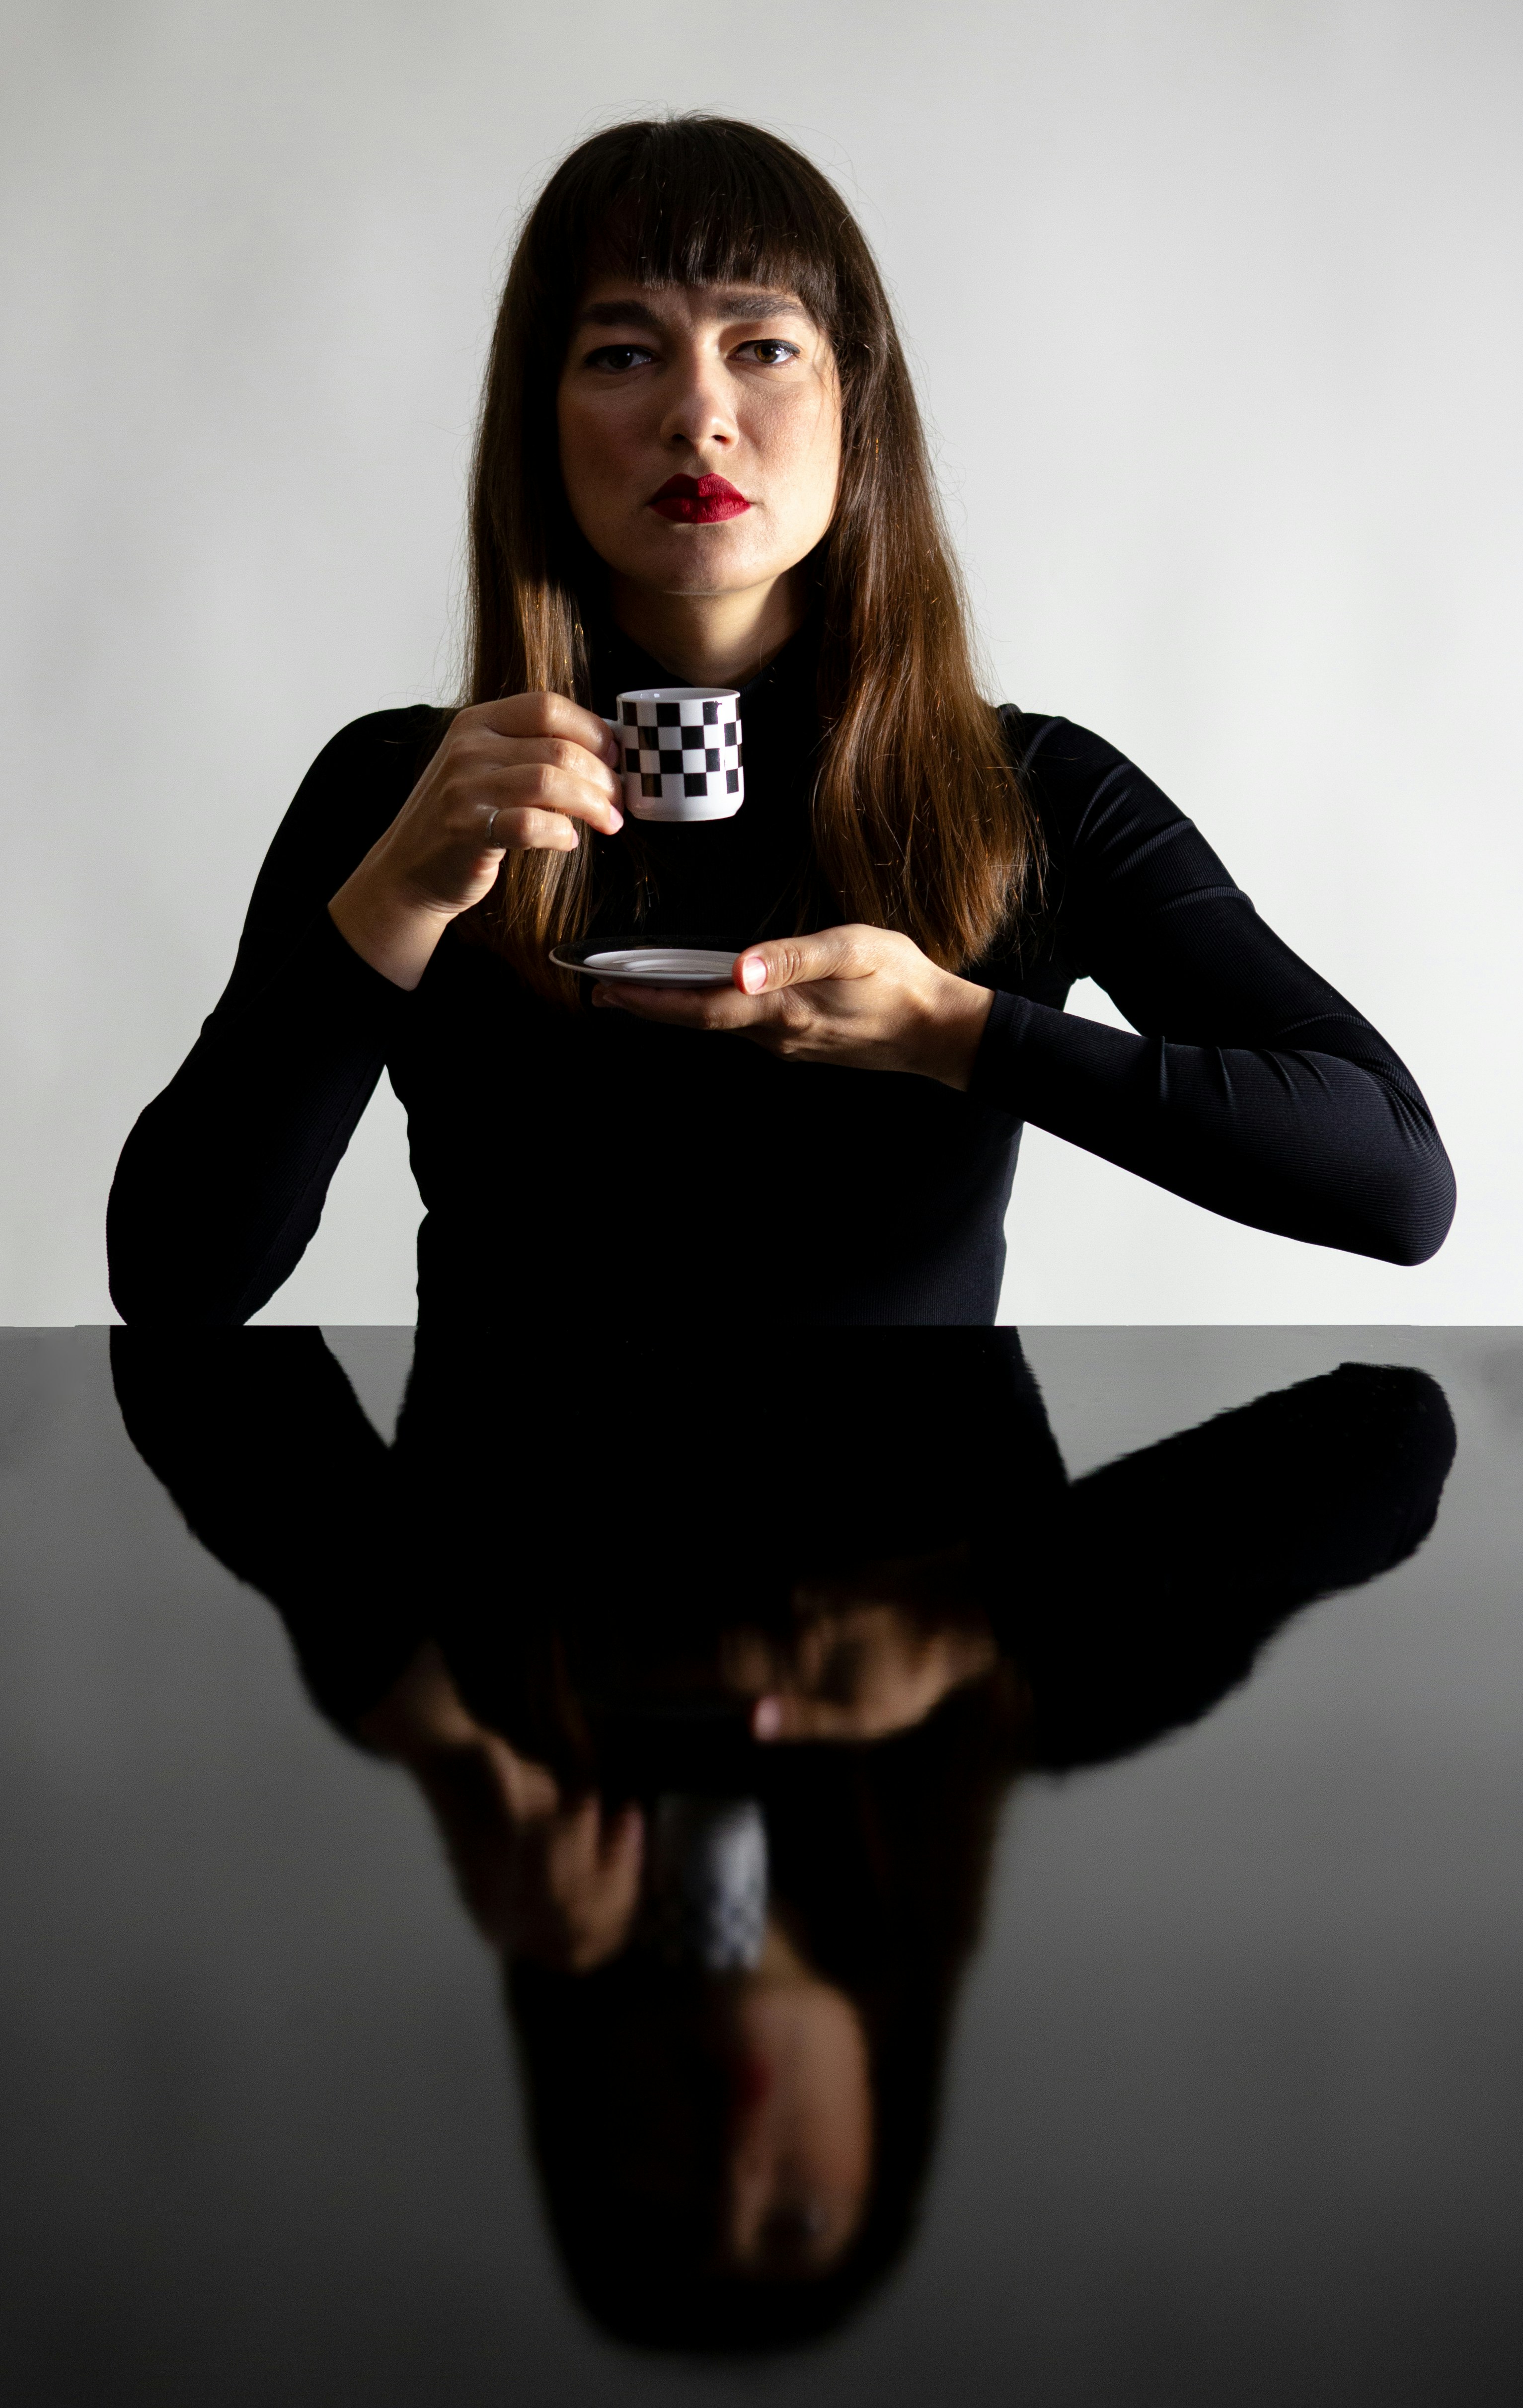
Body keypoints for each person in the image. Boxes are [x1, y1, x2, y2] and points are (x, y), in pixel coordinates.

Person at [107, 117, 1456, 1327]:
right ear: (540, 422)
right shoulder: (407, 789)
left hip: (913, 1580)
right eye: (624, 353)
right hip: (516, 1578)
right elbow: (174, 1283)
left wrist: (953, 1030)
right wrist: (396, 898)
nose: (698, 416)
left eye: (761, 348)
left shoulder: (1025, 792)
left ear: (852, 407)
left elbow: (1392, 1184)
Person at [111, 1328, 1456, 2349]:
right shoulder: (1041, 1710)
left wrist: (438, 1736)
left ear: (583, 2128)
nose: (736, 2166)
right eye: (796, 2216)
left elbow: (184, 1354)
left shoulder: (476, 1725)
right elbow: (1393, 1444)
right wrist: (972, 1611)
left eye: (669, 2213)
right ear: (891, 2130)